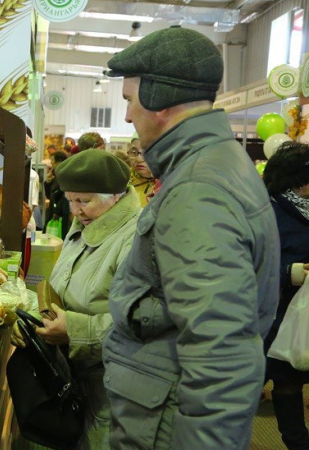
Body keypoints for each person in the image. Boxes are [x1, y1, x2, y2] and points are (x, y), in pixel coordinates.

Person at [102, 25, 279, 449]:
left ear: (159, 98)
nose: (127, 116)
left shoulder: (198, 189)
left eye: (129, 99)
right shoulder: (215, 163)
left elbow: (222, 354)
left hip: (162, 422)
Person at [12, 149, 141, 449]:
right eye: (70, 199)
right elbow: (66, 289)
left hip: (111, 392)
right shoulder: (88, 222)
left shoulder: (136, 240)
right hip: (73, 381)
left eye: (84, 201)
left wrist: (75, 330)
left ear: (116, 196)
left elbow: (140, 323)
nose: (75, 210)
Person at [262, 142, 309, 449]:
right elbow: (251, 262)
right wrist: (289, 270)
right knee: (282, 382)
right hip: (274, 317)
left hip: (304, 316)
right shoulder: (268, 211)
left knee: (291, 381)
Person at [126, 137, 156, 206]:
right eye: (134, 152)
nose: (139, 159)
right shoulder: (123, 179)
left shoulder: (169, 182)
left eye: (147, 152)